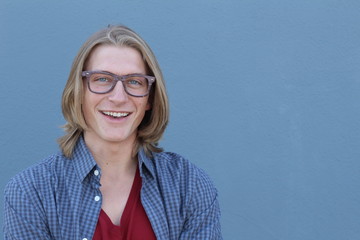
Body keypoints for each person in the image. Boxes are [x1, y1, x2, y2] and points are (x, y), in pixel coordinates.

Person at [3, 25, 222, 239]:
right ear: (79, 92)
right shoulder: (32, 192)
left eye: (134, 82)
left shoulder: (188, 185)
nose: (118, 98)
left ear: (150, 98)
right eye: (102, 79)